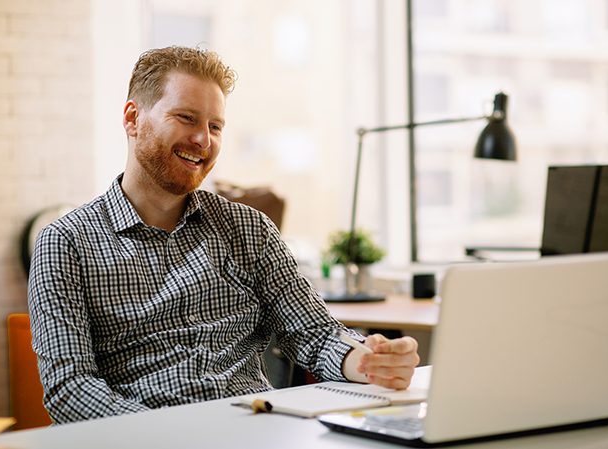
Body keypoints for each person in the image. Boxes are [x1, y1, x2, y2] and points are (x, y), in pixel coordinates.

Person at [27, 46, 419, 425]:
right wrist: (172, 436)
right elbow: (70, 389)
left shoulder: (249, 230)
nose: (204, 140)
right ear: (132, 119)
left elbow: (314, 332)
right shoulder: (64, 243)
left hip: (254, 431)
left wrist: (369, 363)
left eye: (215, 126)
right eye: (186, 117)